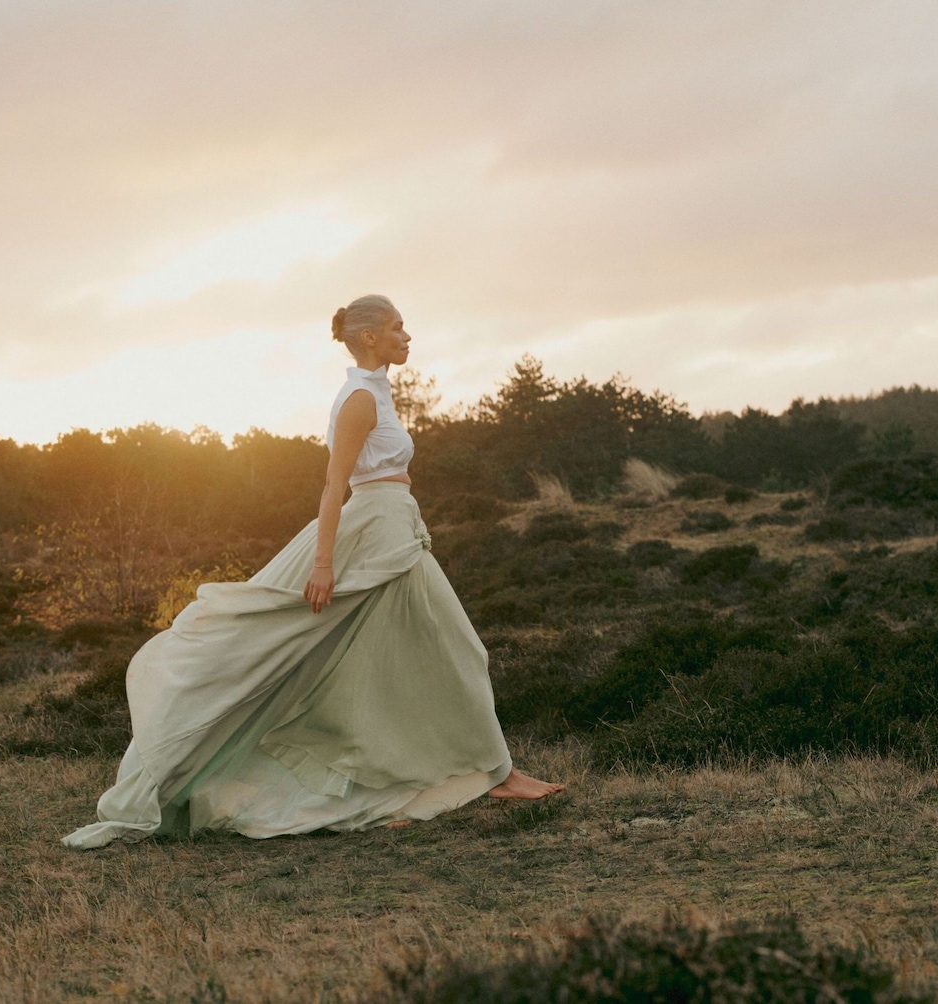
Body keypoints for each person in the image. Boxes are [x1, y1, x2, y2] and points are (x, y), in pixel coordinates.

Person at [62, 295, 563, 850]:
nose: (407, 336)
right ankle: (499, 776)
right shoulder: (357, 400)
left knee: (425, 655)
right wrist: (322, 564)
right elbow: (333, 485)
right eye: (398, 327)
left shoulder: (376, 390)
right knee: (460, 648)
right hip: (374, 534)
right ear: (370, 337)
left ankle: (466, 775)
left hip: (396, 529)